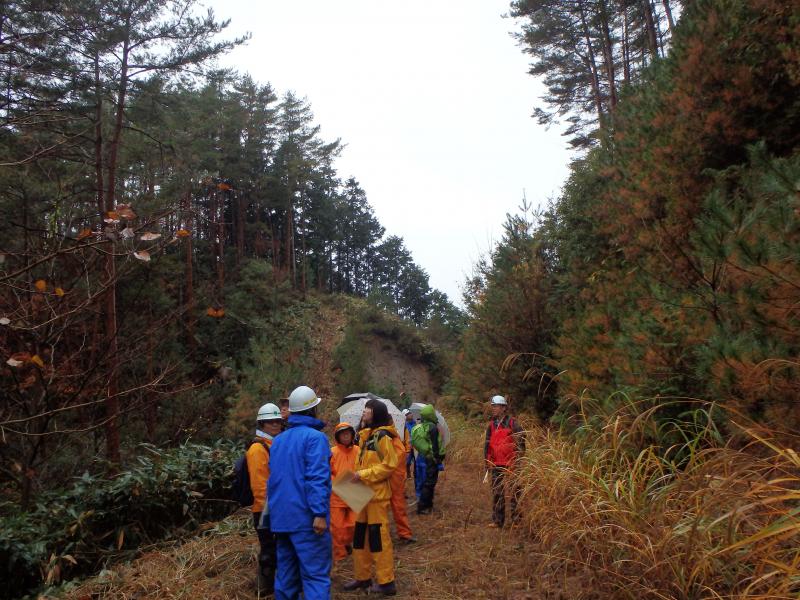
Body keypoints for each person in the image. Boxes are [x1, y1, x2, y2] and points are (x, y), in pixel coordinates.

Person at [267, 385, 332, 600]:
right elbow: (317, 478)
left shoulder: (277, 441)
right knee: (315, 577)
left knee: (286, 578)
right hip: (307, 520)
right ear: (313, 410)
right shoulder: (315, 438)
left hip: (281, 520)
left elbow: (274, 481)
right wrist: (320, 513)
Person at [343, 399, 399, 596]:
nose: (364, 412)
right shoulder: (365, 437)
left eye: (368, 409)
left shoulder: (383, 436)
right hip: (361, 495)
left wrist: (363, 475)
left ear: (375, 413)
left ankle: (386, 582)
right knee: (359, 538)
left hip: (376, 497)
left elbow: (390, 465)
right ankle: (362, 576)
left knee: (378, 539)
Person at [247, 402, 283, 594]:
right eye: (270, 422)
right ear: (262, 424)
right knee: (269, 549)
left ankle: (272, 585)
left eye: (277, 421)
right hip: (264, 509)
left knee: (274, 547)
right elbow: (259, 486)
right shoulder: (257, 449)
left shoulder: (272, 444)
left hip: (274, 506)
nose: (275, 424)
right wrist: (267, 512)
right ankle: (263, 588)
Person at [484, 395, 525, 528]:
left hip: (512, 464)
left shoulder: (513, 423)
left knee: (515, 492)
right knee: (497, 492)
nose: (493, 409)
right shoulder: (491, 425)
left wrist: (519, 460)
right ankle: (498, 521)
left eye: (496, 406)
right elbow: (487, 444)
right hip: (496, 463)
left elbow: (522, 440)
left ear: (503, 408)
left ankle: (516, 521)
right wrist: (486, 462)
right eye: (493, 406)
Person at [330, 422, 358, 562]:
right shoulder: (332, 452)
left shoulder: (358, 451)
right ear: (337, 436)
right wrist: (338, 482)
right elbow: (326, 471)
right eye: (342, 433)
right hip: (336, 495)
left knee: (354, 524)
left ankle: (348, 543)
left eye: (348, 432)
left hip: (354, 493)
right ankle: (340, 555)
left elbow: (365, 469)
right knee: (337, 527)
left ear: (352, 434)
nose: (345, 435)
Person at [414, 404, 445, 515]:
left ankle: (428, 505)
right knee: (430, 483)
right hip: (432, 459)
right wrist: (437, 458)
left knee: (429, 482)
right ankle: (422, 507)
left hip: (427, 457)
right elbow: (434, 444)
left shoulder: (424, 425)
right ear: (430, 414)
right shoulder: (432, 427)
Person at [388, 418, 415, 544]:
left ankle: (404, 534)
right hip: (381, 478)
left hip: (393, 478)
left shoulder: (393, 435)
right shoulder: (371, 435)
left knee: (398, 507)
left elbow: (400, 455)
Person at [403, 409, 415, 478]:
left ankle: (415, 473)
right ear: (405, 416)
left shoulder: (414, 423)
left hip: (415, 445)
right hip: (408, 446)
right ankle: (408, 474)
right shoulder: (404, 426)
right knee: (407, 462)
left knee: (416, 460)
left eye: (410, 413)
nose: (411, 414)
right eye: (408, 413)